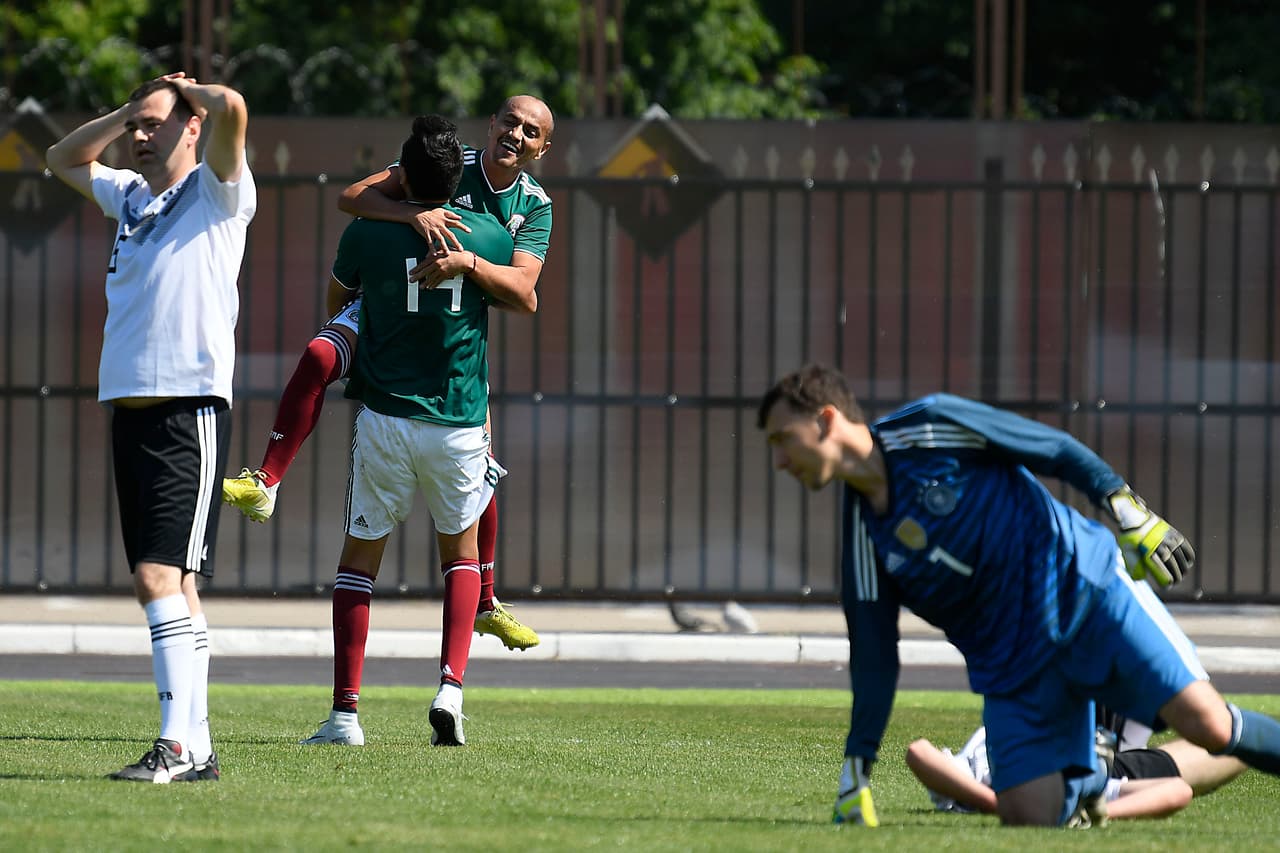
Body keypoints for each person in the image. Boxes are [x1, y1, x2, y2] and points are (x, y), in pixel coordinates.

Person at [756, 363, 1280, 827]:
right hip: (1015, 671)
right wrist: (857, 771)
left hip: (1086, 597)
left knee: (1209, 725)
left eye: (782, 439)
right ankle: (1093, 781)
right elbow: (874, 659)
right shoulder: (861, 536)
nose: (779, 463)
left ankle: (1101, 770)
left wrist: (1128, 511)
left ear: (826, 418)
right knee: (1031, 817)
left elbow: (1051, 448)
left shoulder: (932, 424)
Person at [222, 95, 554, 653]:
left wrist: (467, 262)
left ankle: (488, 603)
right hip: (388, 311)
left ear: (543, 148)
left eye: (530, 130)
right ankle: (267, 482)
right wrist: (409, 213)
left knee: (482, 465)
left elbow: (525, 292)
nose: (516, 134)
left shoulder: (534, 207)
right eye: (510, 122)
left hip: (452, 337)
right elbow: (352, 196)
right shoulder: (447, 162)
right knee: (320, 356)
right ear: (491, 124)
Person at [44, 73, 255, 782]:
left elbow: (236, 111)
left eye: (155, 124)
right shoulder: (132, 195)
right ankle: (195, 747)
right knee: (178, 585)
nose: (141, 135)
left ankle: (173, 746)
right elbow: (61, 159)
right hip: (129, 407)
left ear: (192, 128)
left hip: (186, 407)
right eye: (136, 126)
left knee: (156, 575)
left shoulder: (218, 189)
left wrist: (191, 90)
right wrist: (128, 109)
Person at [299, 114, 522, 748]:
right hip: (456, 421)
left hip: (385, 418)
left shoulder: (366, 232)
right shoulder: (487, 237)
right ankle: (450, 688)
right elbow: (515, 294)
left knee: (359, 564)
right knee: (462, 557)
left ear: (401, 175)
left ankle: (345, 716)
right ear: (459, 179)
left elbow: (338, 302)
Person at [906, 722, 1246, 822]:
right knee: (1239, 743)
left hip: (1039, 714)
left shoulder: (980, 776)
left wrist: (996, 803)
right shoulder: (1074, 792)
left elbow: (918, 752)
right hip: (1107, 763)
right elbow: (1177, 791)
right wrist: (1099, 813)